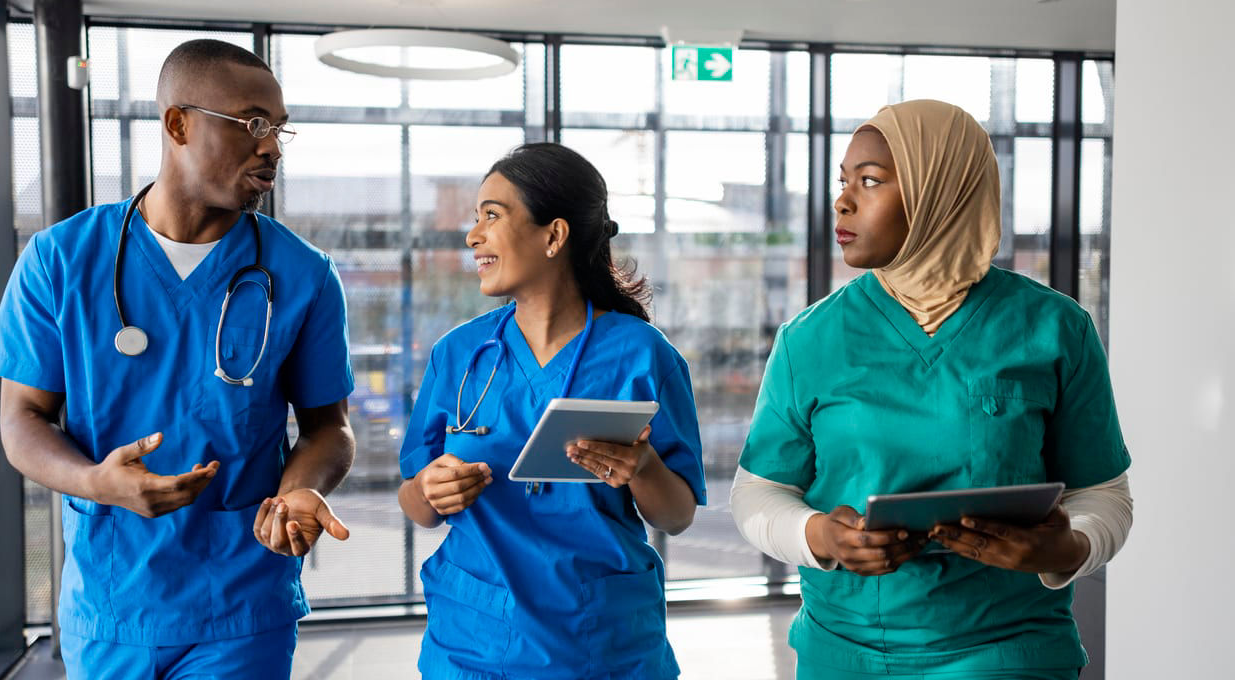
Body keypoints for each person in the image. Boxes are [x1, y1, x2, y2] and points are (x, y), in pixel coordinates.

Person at [0, 39, 356, 680]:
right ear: (178, 124)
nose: (271, 146)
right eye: (253, 123)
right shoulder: (60, 260)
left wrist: (300, 491)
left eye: (280, 130)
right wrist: (97, 482)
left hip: (242, 600)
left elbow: (330, 428)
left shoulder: (305, 275)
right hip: (113, 598)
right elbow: (21, 420)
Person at [730, 99, 1132, 679]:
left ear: (941, 192)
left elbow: (1105, 495)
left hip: (1006, 652)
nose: (842, 201)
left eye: (870, 182)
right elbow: (757, 494)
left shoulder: (1054, 328)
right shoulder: (810, 339)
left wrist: (1068, 550)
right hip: (846, 652)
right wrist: (818, 534)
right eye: (843, 182)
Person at [397, 142, 707, 679]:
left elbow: (676, 516)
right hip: (474, 641)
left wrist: (644, 468)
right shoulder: (460, 355)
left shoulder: (642, 354)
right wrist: (429, 490)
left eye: (492, 216)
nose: (473, 235)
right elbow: (416, 502)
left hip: (601, 641)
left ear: (554, 235)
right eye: (475, 219)